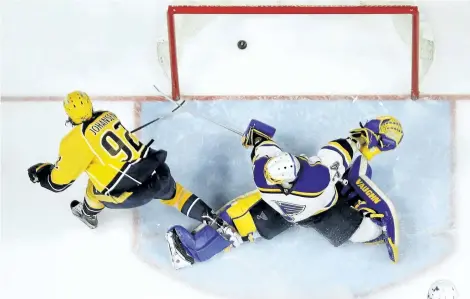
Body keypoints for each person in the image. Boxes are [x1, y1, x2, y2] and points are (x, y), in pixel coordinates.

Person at [165, 116, 403, 269]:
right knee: (369, 232)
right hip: (325, 213)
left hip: (279, 211)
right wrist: (364, 137)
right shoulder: (317, 177)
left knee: (236, 218)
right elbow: (340, 150)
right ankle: (366, 220)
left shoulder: (263, 176)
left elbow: (263, 150)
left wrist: (257, 138)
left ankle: (189, 252)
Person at [27, 91, 240, 242]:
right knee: (177, 193)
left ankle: (88, 214)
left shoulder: (73, 141)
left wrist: (41, 171)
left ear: (68, 114)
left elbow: (58, 183)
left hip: (127, 193)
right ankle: (212, 219)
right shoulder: (107, 115)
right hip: (151, 171)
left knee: (94, 186)